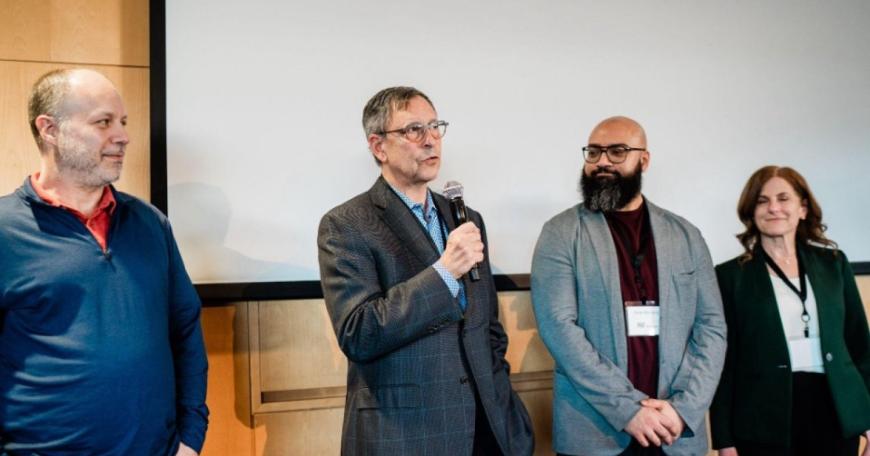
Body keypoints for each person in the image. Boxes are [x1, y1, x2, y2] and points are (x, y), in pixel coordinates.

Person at [0, 69, 208, 455]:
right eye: (103, 122)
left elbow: (185, 332)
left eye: (124, 122)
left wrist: (191, 438)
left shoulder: (150, 223)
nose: (123, 136)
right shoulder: (5, 231)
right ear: (49, 129)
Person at [317, 86, 534, 455]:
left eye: (435, 127)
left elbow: (488, 329)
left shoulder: (465, 217)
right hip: (407, 434)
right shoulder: (347, 224)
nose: (431, 140)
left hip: (489, 426)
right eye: (414, 130)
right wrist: (445, 271)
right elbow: (360, 333)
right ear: (379, 146)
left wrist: (505, 405)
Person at [531, 116, 727, 455]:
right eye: (593, 152)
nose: (602, 161)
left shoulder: (686, 236)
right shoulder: (561, 232)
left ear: (644, 160)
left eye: (617, 151)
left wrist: (683, 408)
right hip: (595, 432)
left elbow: (711, 327)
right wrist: (628, 409)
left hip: (674, 431)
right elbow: (559, 328)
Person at [710, 166, 870, 456]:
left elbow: (860, 346)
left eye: (783, 198)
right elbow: (724, 363)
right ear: (751, 211)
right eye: (762, 200)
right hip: (763, 420)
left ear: (803, 209)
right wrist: (724, 440)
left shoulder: (833, 264)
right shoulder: (730, 276)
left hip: (835, 413)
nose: (773, 208)